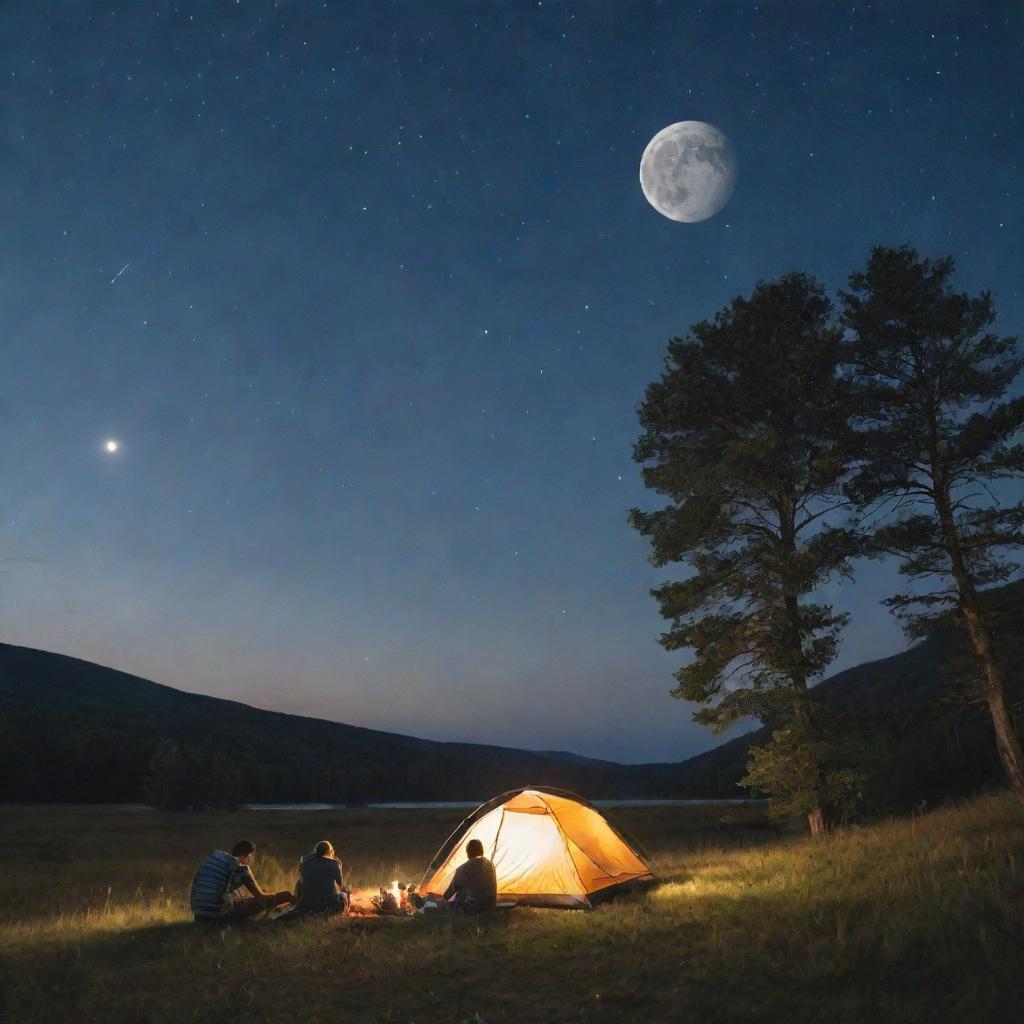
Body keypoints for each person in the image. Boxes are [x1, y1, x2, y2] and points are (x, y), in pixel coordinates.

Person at [190, 839, 294, 922]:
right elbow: (261, 898)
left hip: (199, 916)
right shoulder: (241, 868)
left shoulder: (217, 861)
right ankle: (300, 914)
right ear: (250, 855)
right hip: (219, 916)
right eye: (253, 856)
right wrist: (280, 897)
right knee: (286, 895)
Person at [293, 840, 349, 916]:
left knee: (299, 885)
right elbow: (340, 884)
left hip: (307, 905)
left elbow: (300, 885)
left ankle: (299, 905)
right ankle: (345, 912)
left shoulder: (305, 864)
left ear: (316, 850)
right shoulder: (334, 864)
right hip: (328, 905)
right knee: (344, 893)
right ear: (330, 851)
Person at [442, 838, 497, 914]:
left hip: (474, 906)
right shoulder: (490, 864)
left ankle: (455, 919)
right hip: (491, 904)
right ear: (482, 851)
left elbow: (453, 888)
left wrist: (443, 898)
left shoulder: (464, 868)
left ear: (468, 853)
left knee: (460, 894)